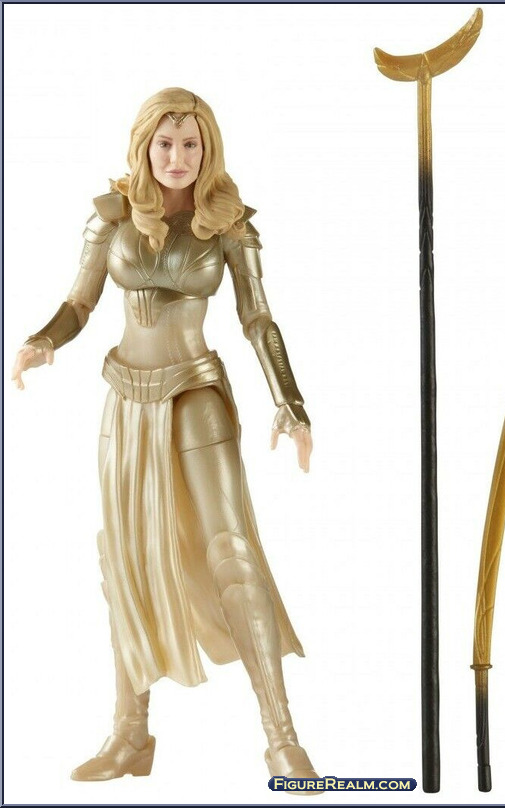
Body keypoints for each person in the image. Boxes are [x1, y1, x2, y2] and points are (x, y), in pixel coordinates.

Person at [12, 87, 319, 788]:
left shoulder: (230, 223)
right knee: (126, 560)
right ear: (144, 145)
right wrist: (43, 340)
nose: (177, 157)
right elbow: (80, 301)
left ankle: (282, 739)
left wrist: (290, 403)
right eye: (165, 143)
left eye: (190, 143)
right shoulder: (112, 217)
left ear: (207, 149)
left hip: (195, 395)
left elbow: (258, 318)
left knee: (231, 552)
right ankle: (130, 736)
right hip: (125, 402)